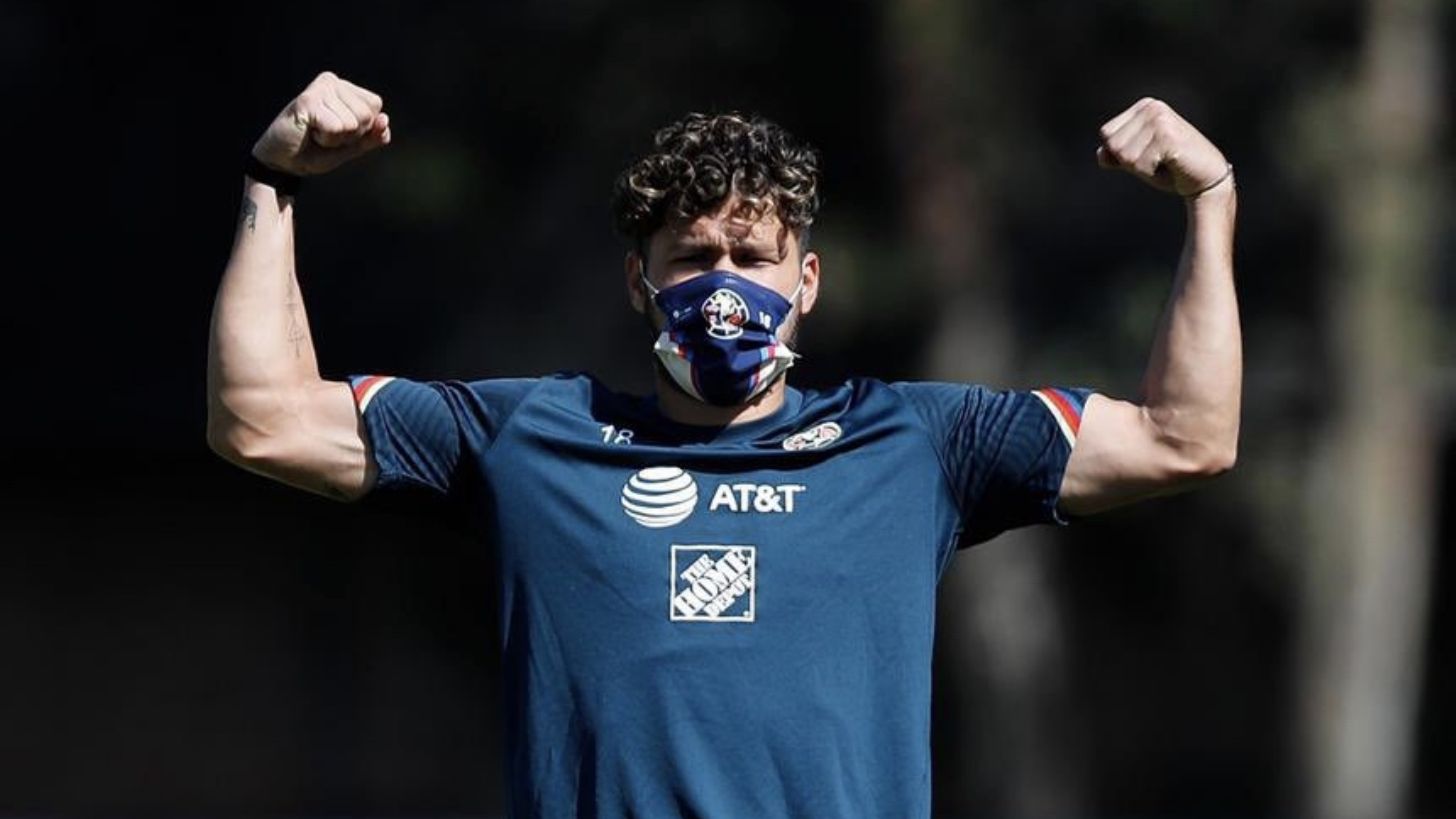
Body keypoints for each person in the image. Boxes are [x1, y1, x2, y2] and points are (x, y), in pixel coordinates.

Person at [206, 70, 1240, 818]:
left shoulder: (914, 443)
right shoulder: (529, 437)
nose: (725, 286)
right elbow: (262, 417)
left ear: (807, 282)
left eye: (753, 255)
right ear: (638, 281)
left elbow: (1183, 437)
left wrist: (1209, 201)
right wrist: (270, 181)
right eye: (693, 257)